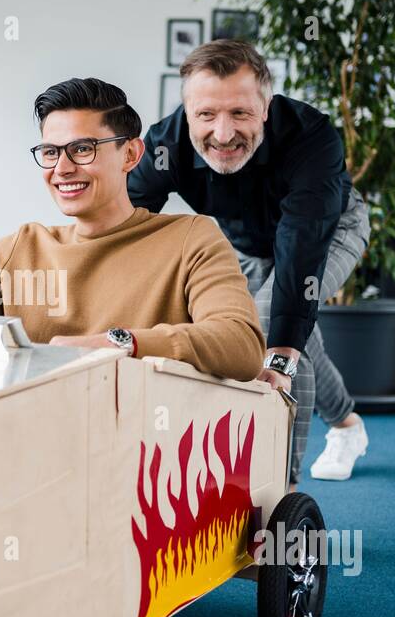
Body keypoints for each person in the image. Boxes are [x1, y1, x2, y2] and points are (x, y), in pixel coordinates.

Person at [0, 77, 265, 383]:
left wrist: (116, 343)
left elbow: (241, 344)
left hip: (125, 434)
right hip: (10, 427)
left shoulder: (190, 238)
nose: (62, 168)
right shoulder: (24, 245)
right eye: (51, 152)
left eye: (82, 149)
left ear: (130, 154)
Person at [127, 40, 373, 484]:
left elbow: (301, 241)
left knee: (268, 330)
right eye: (206, 115)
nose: (223, 133)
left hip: (328, 230)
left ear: (265, 107)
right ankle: (346, 425)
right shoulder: (164, 145)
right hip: (246, 243)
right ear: (186, 111)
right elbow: (126, 227)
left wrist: (279, 357)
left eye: (239, 113)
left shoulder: (310, 134)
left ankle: (280, 492)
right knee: (299, 332)